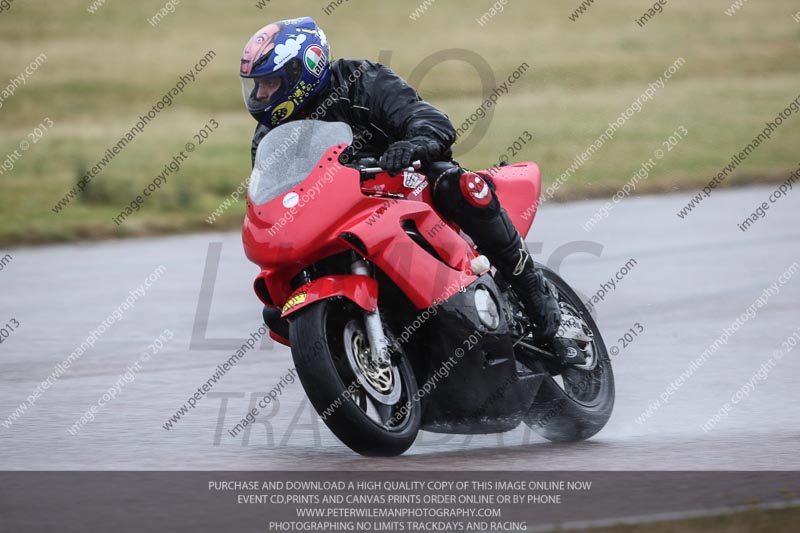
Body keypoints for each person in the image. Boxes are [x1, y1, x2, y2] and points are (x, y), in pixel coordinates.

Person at [240, 17, 562, 345]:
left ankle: (534, 293)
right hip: (341, 210)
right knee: (278, 304)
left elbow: (426, 117)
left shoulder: (362, 80)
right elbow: (275, 191)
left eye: (270, 83)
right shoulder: (270, 136)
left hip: (405, 183)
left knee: (458, 186)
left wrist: (412, 144)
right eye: (258, 86)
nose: (262, 94)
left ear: (302, 71)